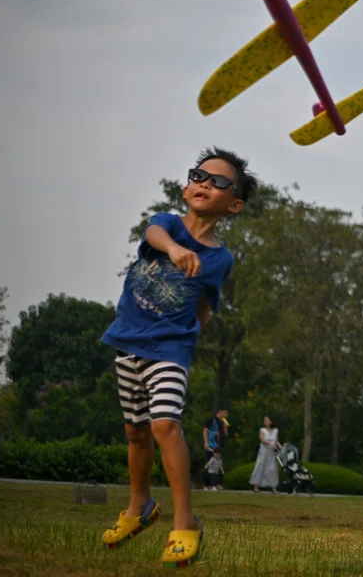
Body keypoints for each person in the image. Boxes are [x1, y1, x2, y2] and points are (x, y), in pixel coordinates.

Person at [99, 147, 258, 568]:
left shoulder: (220, 258)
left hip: (170, 350)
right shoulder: (165, 224)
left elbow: (206, 304)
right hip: (128, 341)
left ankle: (185, 521)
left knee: (165, 425)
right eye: (199, 176)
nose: (206, 183)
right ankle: (139, 508)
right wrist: (172, 248)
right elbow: (154, 235)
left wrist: (188, 341)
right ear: (187, 186)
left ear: (235, 204)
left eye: (219, 181)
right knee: (135, 433)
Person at [249, 416, 280, 494]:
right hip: (263, 451)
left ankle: (273, 487)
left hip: (271, 452)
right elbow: (262, 440)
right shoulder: (262, 430)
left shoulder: (275, 430)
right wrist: (270, 443)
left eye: (267, 420)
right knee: (260, 466)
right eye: (265, 420)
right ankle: (256, 486)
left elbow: (276, 441)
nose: (265, 422)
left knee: (272, 469)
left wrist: (281, 447)